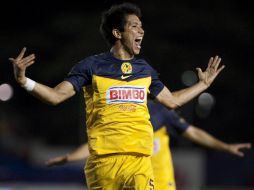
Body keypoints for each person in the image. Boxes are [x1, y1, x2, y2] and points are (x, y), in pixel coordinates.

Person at [9, 3, 225, 190]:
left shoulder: (144, 69)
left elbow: (172, 100)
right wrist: (23, 81)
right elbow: (56, 96)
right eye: (134, 25)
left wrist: (202, 85)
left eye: (141, 25)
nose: (141, 29)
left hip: (138, 161)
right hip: (103, 165)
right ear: (117, 33)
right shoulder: (91, 66)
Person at [45, 100, 251, 190]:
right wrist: (69, 157)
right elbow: (96, 146)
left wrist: (225, 147)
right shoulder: (119, 118)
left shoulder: (160, 112)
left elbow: (193, 132)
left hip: (161, 184)